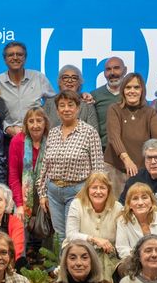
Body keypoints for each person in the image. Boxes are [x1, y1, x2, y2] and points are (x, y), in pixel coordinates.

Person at [36, 90, 105, 245]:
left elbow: (98, 168)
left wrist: (93, 193)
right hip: (53, 191)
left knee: (72, 235)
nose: (66, 109)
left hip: (77, 191)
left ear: (78, 108)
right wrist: (42, 193)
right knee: (59, 235)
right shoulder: (53, 133)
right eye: (62, 105)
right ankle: (62, 268)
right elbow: (45, 165)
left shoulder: (89, 132)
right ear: (57, 110)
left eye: (70, 105)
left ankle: (72, 268)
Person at [105, 73, 157, 191]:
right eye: (128, 87)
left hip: (141, 171)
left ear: (142, 90)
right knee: (116, 208)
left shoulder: (150, 112)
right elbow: (114, 137)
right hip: (115, 169)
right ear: (123, 90)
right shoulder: (114, 109)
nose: (132, 91)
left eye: (136, 87)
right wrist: (126, 160)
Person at [64, 172, 124, 277]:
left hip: (107, 255)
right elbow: (71, 234)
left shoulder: (118, 208)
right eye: (94, 187)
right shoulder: (76, 205)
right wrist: (94, 239)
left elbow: (121, 239)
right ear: (87, 190)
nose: (98, 192)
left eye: (102, 188)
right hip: (79, 251)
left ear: (108, 190)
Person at [116, 183, 157, 267]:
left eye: (144, 198)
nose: (140, 203)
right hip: (136, 263)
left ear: (152, 202)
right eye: (135, 199)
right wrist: (143, 258)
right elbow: (122, 249)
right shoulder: (123, 221)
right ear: (129, 204)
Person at [8, 107, 49, 244]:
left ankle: (52, 262)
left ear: (45, 123)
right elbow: (13, 175)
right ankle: (20, 261)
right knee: (19, 223)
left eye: (39, 121)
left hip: (47, 193)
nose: (35, 125)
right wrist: (19, 204)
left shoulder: (52, 140)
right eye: (31, 121)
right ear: (26, 124)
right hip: (23, 192)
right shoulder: (17, 141)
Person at [0, 41, 54, 136]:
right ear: (5, 59)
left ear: (25, 58)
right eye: (10, 55)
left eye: (19, 54)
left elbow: (54, 104)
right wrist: (7, 128)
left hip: (37, 137)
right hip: (9, 138)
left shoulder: (38, 77)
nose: (15, 57)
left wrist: (43, 122)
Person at [42, 65, 98, 131]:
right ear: (59, 82)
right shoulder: (49, 103)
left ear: (79, 83)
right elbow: (42, 130)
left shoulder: (87, 104)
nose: (69, 80)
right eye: (65, 77)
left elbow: (94, 132)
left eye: (74, 78)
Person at [90, 56, 126, 147]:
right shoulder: (94, 95)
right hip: (103, 150)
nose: (112, 73)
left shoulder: (133, 95)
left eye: (116, 68)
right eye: (108, 69)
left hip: (129, 149)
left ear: (125, 70)